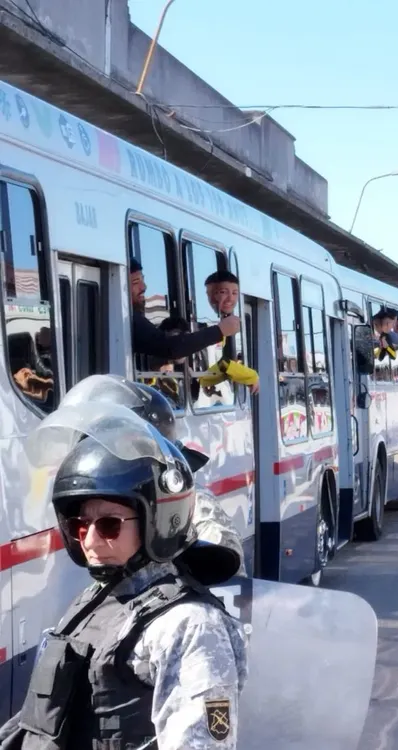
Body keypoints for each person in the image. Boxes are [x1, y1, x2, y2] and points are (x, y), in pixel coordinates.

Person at [0, 379, 248, 750]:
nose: (90, 540)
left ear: (157, 521)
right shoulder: (98, 600)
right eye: (79, 525)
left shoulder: (188, 625)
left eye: (109, 525)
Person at [130, 258, 239, 361]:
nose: (144, 287)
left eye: (142, 280)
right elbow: (168, 347)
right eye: (135, 282)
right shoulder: (126, 318)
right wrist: (219, 331)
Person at [202, 270, 260, 395]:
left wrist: (205, 380)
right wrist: (252, 376)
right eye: (223, 292)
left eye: (235, 293)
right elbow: (224, 364)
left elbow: (222, 365)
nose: (230, 299)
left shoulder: (225, 320)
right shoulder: (211, 322)